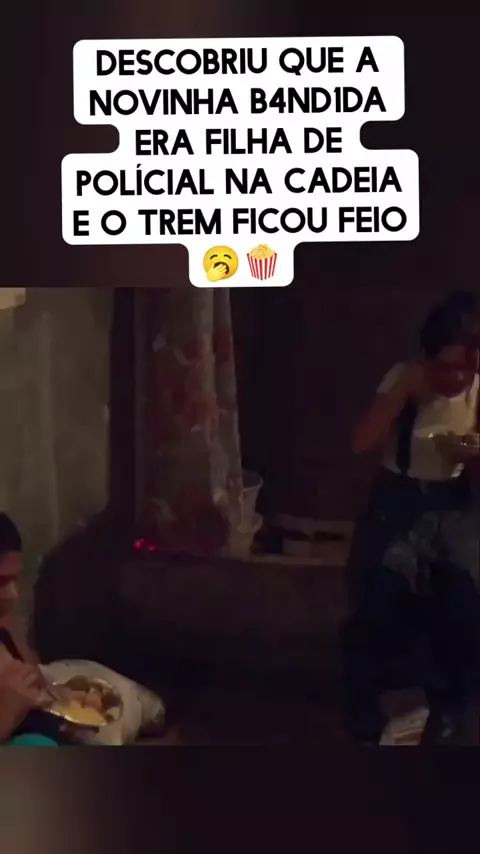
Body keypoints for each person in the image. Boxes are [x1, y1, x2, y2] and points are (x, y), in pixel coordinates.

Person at [342, 291, 480, 745]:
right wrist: (403, 392)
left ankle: (449, 705)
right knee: (381, 593)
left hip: (453, 501)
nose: (454, 378)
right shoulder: (405, 379)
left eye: (464, 368)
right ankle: (369, 704)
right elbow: (361, 442)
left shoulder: (477, 386)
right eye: (444, 367)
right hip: (398, 496)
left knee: (462, 594)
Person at [0, 513, 72, 745]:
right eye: (0, 582)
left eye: (15, 579)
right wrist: (8, 712)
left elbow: (36, 678)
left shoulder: (5, 622)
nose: (13, 594)